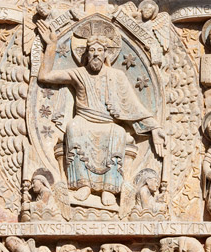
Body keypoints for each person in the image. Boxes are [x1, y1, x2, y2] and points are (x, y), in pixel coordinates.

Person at [37, 23, 165, 206]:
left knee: (119, 133)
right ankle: (84, 185)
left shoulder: (117, 76)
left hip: (108, 123)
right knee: (73, 128)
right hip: (84, 120)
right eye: (92, 50)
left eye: (100, 50)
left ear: (107, 53)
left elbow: (133, 106)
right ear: (86, 54)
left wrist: (154, 127)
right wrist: (51, 46)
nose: (96, 54)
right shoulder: (78, 74)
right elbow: (45, 76)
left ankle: (109, 189)